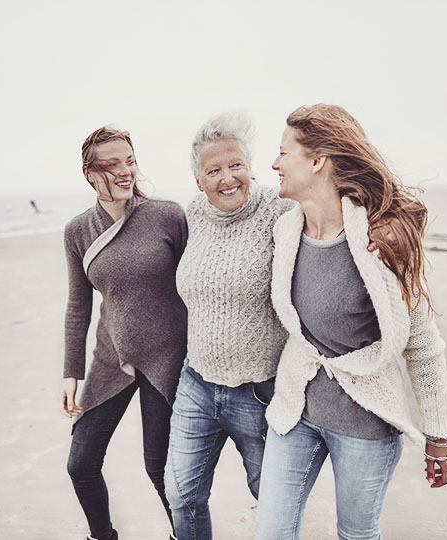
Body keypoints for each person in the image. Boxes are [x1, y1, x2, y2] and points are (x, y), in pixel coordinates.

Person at [254, 104, 447, 540]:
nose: (273, 163)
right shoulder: (285, 230)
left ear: (317, 160)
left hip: (366, 422)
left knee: (356, 535)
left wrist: (439, 434)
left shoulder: (381, 240)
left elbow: (421, 344)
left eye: (283, 152)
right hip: (295, 411)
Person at [163, 112, 293, 540]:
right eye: (213, 170)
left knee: (271, 498)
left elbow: (336, 213)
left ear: (250, 167)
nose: (227, 178)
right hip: (196, 383)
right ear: (198, 181)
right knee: (182, 496)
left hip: (259, 391)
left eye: (235, 165)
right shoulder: (192, 215)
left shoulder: (282, 210)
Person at [61, 126, 188, 540]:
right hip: (111, 357)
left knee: (160, 469)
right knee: (81, 463)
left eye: (129, 160)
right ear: (88, 172)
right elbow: (79, 305)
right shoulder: (78, 230)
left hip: (166, 359)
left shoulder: (167, 216)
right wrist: (71, 373)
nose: (124, 171)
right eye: (111, 165)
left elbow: (196, 286)